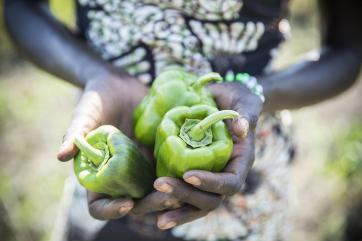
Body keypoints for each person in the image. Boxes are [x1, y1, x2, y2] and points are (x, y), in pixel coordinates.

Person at [4, 0, 362, 240]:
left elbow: (348, 49)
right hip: (110, 137)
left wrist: (257, 91)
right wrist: (97, 76)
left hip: (245, 156)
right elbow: (20, 7)